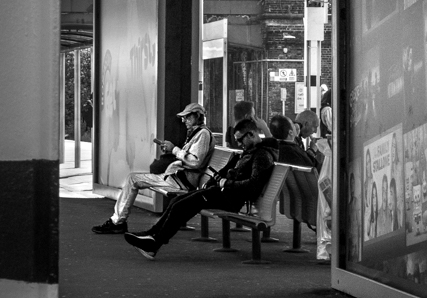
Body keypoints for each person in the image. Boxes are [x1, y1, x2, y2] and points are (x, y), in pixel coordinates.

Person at [122, 120, 278, 260]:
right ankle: (152, 235)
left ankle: (154, 243)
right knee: (177, 200)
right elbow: (225, 171)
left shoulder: (262, 155)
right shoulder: (249, 152)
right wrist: (212, 182)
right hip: (223, 193)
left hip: (231, 199)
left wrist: (226, 183)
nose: (239, 144)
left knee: (182, 205)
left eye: (240, 140)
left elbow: (253, 186)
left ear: (251, 135)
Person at [93, 102, 212, 234]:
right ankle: (117, 221)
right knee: (132, 178)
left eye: (187, 117)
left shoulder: (203, 134)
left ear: (197, 116)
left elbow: (195, 161)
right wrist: (170, 150)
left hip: (180, 181)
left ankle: (117, 222)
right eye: (183, 117)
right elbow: (190, 159)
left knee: (132, 179)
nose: (183, 120)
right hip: (176, 178)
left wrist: (174, 149)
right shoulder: (197, 133)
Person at [314, 90, 334, 264]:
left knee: (327, 203)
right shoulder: (328, 111)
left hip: (328, 160)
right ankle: (327, 245)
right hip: (330, 161)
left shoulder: (325, 111)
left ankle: (326, 246)